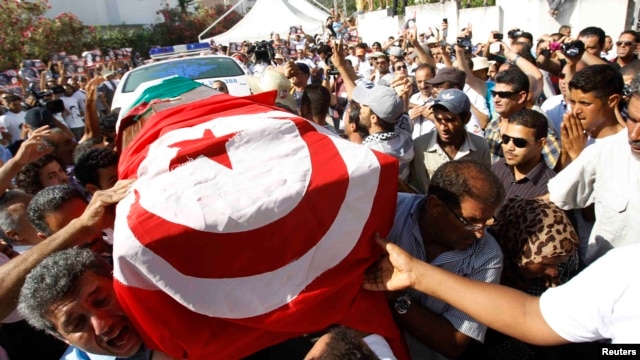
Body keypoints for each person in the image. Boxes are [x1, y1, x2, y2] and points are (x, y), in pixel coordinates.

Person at [387, 159, 504, 360]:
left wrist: (395, 299)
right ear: (435, 206)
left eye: (487, 222)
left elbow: (453, 342)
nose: (480, 234)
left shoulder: (487, 256)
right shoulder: (389, 211)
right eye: (471, 222)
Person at [460, 197, 580, 359]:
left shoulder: (563, 263)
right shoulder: (479, 267)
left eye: (558, 263)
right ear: (520, 247)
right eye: (545, 264)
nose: (554, 273)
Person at [410, 89, 490, 194]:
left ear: (466, 118)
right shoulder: (420, 146)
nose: (443, 127)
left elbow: (484, 188)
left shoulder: (480, 147)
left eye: (450, 120)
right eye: (438, 119)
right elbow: (414, 188)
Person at [491, 109, 555, 207]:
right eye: (505, 139)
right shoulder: (497, 168)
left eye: (519, 142)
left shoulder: (551, 188)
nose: (509, 147)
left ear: (541, 144)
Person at [350, 85, 414, 182]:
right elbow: (404, 115)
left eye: (365, 105)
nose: (360, 106)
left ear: (373, 118)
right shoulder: (405, 135)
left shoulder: (371, 154)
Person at [408, 64, 436, 139]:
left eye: (427, 81)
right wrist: (410, 119)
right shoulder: (414, 98)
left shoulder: (440, 99)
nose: (423, 86)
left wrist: (434, 118)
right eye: (419, 82)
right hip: (415, 145)